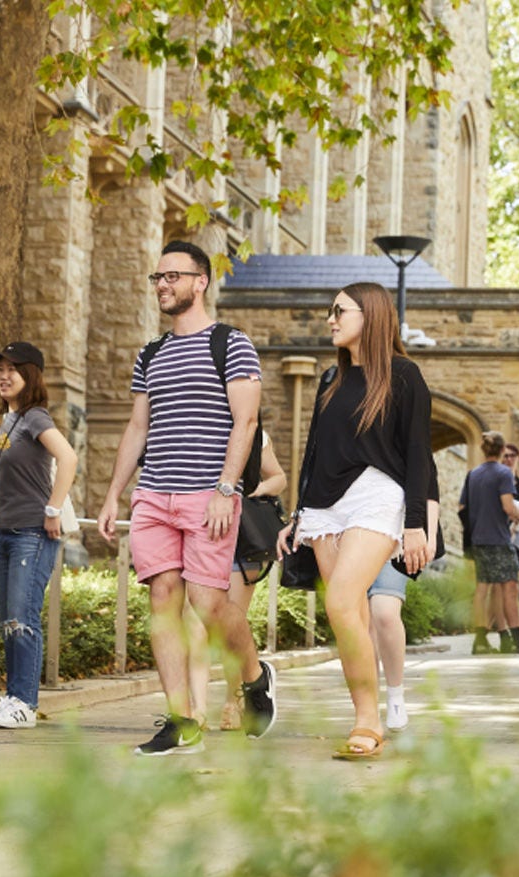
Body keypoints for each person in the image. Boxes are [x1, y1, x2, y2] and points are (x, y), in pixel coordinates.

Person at [97, 240, 276, 756]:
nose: (163, 285)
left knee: (208, 602)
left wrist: (226, 488)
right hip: (154, 493)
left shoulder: (231, 344)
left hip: (207, 494)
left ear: (201, 281)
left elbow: (245, 423)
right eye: (157, 278)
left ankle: (254, 676)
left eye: (173, 276)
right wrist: (114, 494)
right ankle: (182, 719)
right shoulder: (150, 354)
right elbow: (137, 427)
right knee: (162, 601)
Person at [276, 281, 436, 760]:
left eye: (340, 310)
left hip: (376, 493)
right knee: (351, 615)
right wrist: (298, 515)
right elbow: (313, 455)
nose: (331, 318)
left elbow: (417, 458)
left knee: (344, 600)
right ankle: (362, 712)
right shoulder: (330, 380)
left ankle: (370, 720)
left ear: (370, 315)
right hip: (325, 504)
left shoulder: (405, 376)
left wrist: (414, 525)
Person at [0, 341, 78, 729]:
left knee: (22, 617)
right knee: (8, 621)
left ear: (30, 375)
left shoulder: (35, 417)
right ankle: (13, 697)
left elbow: (68, 458)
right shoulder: (9, 421)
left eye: (12, 369)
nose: (3, 375)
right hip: (5, 533)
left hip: (32, 533)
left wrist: (53, 508)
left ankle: (25, 704)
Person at [187, 429, 286, 732]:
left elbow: (279, 478)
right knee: (194, 624)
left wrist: (252, 490)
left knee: (228, 625)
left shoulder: (255, 433)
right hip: (198, 531)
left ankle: (234, 699)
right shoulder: (192, 425)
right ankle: (197, 708)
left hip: (241, 538)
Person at [460, 431, 519, 656]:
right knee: (509, 589)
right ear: (502, 449)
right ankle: (518, 642)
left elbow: (462, 508)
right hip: (498, 538)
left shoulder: (472, 475)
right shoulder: (503, 473)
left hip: (478, 539)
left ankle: (480, 642)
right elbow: (508, 506)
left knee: (482, 589)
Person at [368, 497, 441, 732]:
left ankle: (395, 694)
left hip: (397, 534)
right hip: (351, 529)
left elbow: (428, 486)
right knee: (363, 622)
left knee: (384, 612)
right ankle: (367, 708)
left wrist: (429, 535)